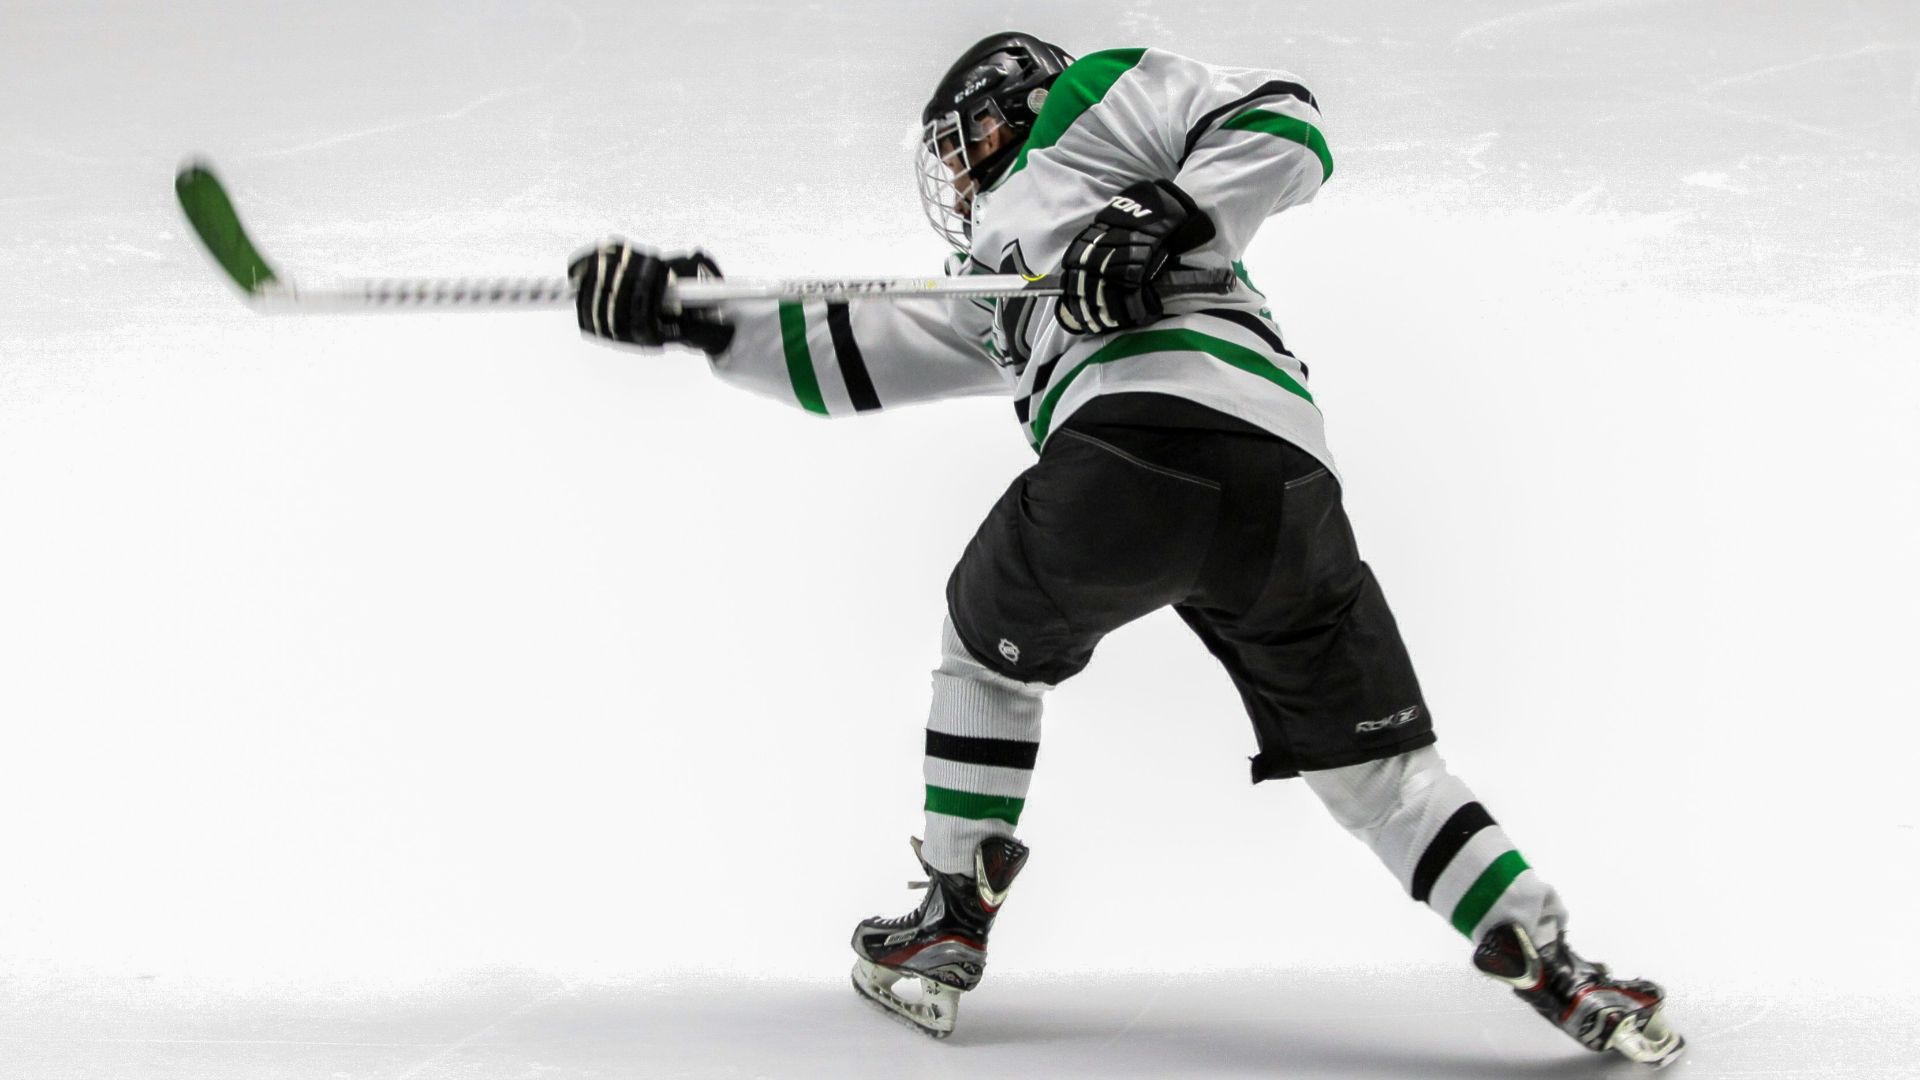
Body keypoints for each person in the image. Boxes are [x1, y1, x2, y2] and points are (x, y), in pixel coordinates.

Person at [570, 32, 1684, 1067]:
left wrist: (1167, 211)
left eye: (958, 149)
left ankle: (952, 918)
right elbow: (852, 356)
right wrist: (696, 314)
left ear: (1000, 109)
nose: (955, 182)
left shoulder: (1088, 105)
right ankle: (1553, 963)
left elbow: (1285, 124)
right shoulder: (999, 284)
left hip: (1132, 455)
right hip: (1285, 488)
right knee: (1381, 775)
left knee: (984, 642)